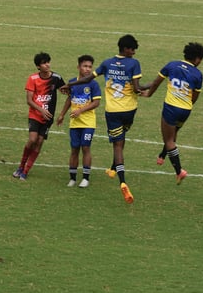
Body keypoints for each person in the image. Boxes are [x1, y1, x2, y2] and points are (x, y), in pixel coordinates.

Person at [62, 35, 144, 204]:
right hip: (129, 110)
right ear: (126, 49)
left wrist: (69, 85)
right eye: (133, 49)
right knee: (121, 140)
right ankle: (114, 170)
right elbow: (137, 89)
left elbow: (87, 79)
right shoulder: (134, 63)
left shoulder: (107, 63)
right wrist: (156, 83)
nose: (134, 52)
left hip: (112, 111)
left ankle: (121, 179)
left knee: (118, 144)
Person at [140, 42, 203, 184]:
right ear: (196, 59)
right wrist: (185, 105)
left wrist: (149, 94)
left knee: (168, 140)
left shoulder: (172, 65)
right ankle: (162, 156)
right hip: (186, 109)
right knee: (173, 134)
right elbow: (194, 97)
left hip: (171, 108)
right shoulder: (198, 74)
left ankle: (179, 171)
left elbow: (157, 82)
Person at [13, 52, 65, 181]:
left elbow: (64, 89)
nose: (47, 65)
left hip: (48, 117)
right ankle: (20, 166)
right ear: (38, 66)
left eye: (48, 62)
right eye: (44, 63)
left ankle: (26, 170)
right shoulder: (33, 79)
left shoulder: (56, 78)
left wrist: (72, 88)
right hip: (35, 114)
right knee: (32, 140)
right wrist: (41, 110)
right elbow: (29, 100)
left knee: (40, 142)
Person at [57, 55, 101, 188]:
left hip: (88, 122)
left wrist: (81, 111)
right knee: (74, 149)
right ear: (78, 67)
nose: (88, 69)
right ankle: (72, 178)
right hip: (74, 122)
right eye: (85, 66)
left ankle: (86, 178)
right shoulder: (73, 82)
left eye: (90, 67)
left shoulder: (93, 84)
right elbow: (70, 99)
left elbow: (96, 102)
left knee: (86, 147)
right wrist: (62, 114)